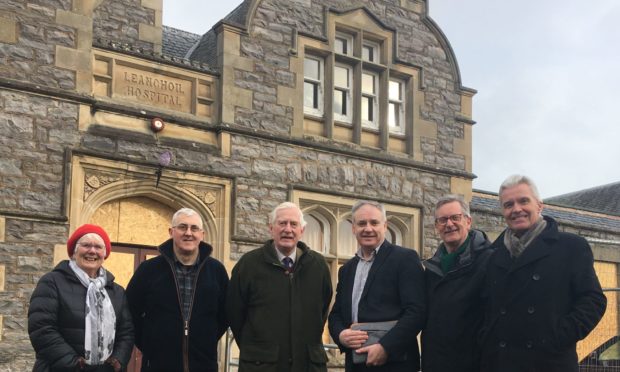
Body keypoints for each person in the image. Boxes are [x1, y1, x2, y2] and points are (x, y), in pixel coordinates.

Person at [480, 175, 607, 372]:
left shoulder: (571, 247)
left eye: (523, 201)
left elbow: (593, 300)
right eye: (508, 204)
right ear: (503, 212)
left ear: (539, 206)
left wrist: (558, 337)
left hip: (550, 362)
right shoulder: (493, 255)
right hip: (501, 363)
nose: (516, 209)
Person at [227, 202, 333, 371]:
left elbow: (321, 311)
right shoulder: (249, 264)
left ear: (302, 231)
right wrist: (258, 350)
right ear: (271, 228)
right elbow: (235, 313)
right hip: (262, 365)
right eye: (282, 223)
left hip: (307, 365)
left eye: (293, 224)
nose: (288, 229)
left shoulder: (318, 266)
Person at [126, 208, 228, 372]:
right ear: (171, 231)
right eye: (182, 227)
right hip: (158, 365)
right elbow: (129, 312)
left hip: (204, 365)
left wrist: (205, 339)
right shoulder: (149, 270)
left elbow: (225, 314)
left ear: (202, 234)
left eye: (194, 228)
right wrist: (150, 343)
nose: (188, 233)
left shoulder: (216, 271)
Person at [328, 200, 426, 371]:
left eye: (374, 222)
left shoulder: (405, 259)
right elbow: (336, 315)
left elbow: (417, 312)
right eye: (361, 223)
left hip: (395, 364)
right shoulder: (347, 269)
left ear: (385, 226)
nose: (368, 228)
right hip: (356, 364)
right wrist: (341, 335)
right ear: (353, 228)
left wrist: (386, 347)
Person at [28, 224, 134, 372]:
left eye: (98, 247)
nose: (92, 251)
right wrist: (75, 364)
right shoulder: (52, 282)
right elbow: (41, 328)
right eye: (86, 245)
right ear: (73, 252)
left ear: (105, 254)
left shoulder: (116, 291)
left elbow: (126, 332)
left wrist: (117, 361)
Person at [421, 195, 492, 372]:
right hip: (436, 363)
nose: (449, 224)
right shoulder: (431, 268)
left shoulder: (489, 260)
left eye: (455, 218)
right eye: (443, 220)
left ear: (468, 221)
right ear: (436, 226)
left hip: (475, 364)